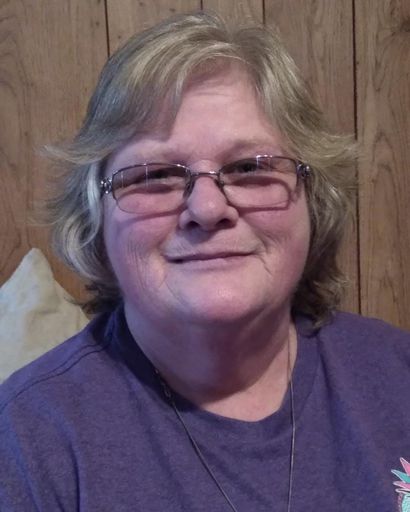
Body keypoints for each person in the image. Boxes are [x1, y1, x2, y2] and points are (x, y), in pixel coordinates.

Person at [1, 11, 409, 512]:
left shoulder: (399, 377)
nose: (208, 208)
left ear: (314, 200)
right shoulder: (27, 442)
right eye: (154, 176)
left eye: (250, 168)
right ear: (94, 217)